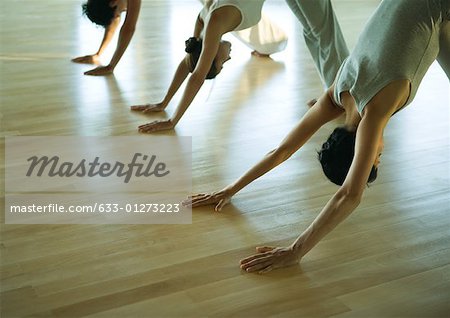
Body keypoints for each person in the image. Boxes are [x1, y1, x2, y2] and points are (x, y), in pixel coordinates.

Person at [185, 0, 450, 273]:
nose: (381, 149)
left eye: (377, 155)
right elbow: (281, 151)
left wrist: (295, 250)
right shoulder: (339, 91)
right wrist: (229, 190)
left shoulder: (375, 111)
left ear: (362, 149)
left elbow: (349, 194)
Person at [132, 0, 286, 133]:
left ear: (212, 56)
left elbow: (197, 76)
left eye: (222, 63)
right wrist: (164, 102)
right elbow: (188, 61)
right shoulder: (204, 20)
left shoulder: (213, 24)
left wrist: (173, 121)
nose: (229, 58)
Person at [72, 0, 287, 76]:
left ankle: (274, 43)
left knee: (229, 13)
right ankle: (273, 43)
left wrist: (110, 65)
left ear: (111, 3)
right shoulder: (112, 2)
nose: (122, 13)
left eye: (120, 11)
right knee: (219, 15)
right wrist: (100, 53)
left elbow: (128, 28)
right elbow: (118, 22)